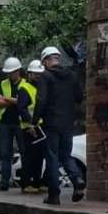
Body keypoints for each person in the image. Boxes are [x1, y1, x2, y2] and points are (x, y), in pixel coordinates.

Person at [33, 46, 86, 205]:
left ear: (45, 61)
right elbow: (79, 96)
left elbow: (41, 100)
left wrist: (34, 121)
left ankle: (54, 195)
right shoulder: (71, 75)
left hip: (51, 123)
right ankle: (77, 181)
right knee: (66, 154)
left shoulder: (45, 77)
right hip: (68, 123)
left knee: (52, 157)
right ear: (58, 58)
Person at [0, 57, 32, 192]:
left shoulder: (26, 84)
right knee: (5, 153)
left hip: (20, 123)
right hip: (5, 122)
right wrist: (16, 101)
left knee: (24, 152)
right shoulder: (3, 84)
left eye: (12, 72)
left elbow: (25, 102)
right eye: (8, 72)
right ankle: (4, 183)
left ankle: (25, 183)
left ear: (18, 71)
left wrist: (7, 100)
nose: (10, 75)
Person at [21, 60, 47, 194]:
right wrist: (30, 124)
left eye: (40, 74)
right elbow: (22, 109)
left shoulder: (40, 87)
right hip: (29, 128)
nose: (38, 76)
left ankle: (37, 183)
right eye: (35, 74)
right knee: (29, 156)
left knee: (39, 156)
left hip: (39, 126)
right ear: (29, 74)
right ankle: (26, 183)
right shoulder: (24, 88)